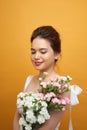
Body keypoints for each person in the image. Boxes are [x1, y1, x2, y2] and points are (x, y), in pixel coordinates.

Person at [13, 25, 82, 130]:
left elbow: (49, 126)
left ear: (56, 54)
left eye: (43, 52)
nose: (36, 56)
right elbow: (17, 116)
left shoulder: (62, 86)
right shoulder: (29, 80)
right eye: (33, 52)